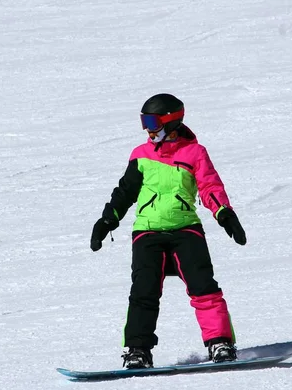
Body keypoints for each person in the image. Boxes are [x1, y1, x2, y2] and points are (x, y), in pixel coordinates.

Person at [90, 93, 247, 369]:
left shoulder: (195, 153)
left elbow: (210, 187)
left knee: (203, 288)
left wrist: (224, 214)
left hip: (185, 229)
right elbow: (124, 193)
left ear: (171, 121)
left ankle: (220, 343)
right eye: (144, 122)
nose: (148, 130)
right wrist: (107, 220)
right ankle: (138, 351)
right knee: (143, 292)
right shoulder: (141, 156)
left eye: (152, 122)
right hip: (147, 232)